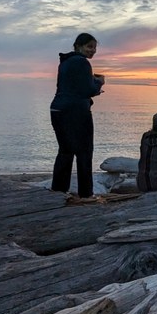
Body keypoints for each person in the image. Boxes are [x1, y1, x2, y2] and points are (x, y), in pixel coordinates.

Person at [50, 33, 105, 199]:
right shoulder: (82, 62)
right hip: (75, 112)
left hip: (57, 110)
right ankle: (86, 194)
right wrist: (99, 82)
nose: (93, 51)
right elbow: (88, 90)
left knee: (65, 151)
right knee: (84, 152)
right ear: (78, 46)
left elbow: (73, 87)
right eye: (89, 47)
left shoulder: (65, 62)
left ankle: (58, 192)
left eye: (94, 47)